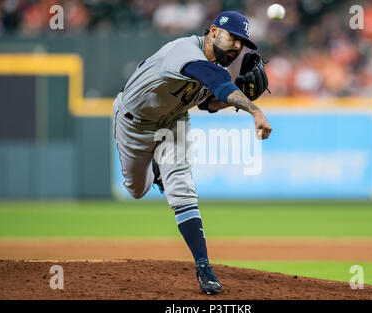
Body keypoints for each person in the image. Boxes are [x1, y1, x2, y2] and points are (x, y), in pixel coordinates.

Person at [113, 11, 272, 295]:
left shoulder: (213, 68)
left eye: (242, 42)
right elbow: (216, 81)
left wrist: (240, 95)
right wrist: (253, 109)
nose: (237, 46)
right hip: (134, 123)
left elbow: (207, 105)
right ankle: (155, 170)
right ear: (213, 32)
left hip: (173, 121)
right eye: (233, 37)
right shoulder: (183, 51)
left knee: (183, 189)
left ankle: (204, 267)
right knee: (137, 189)